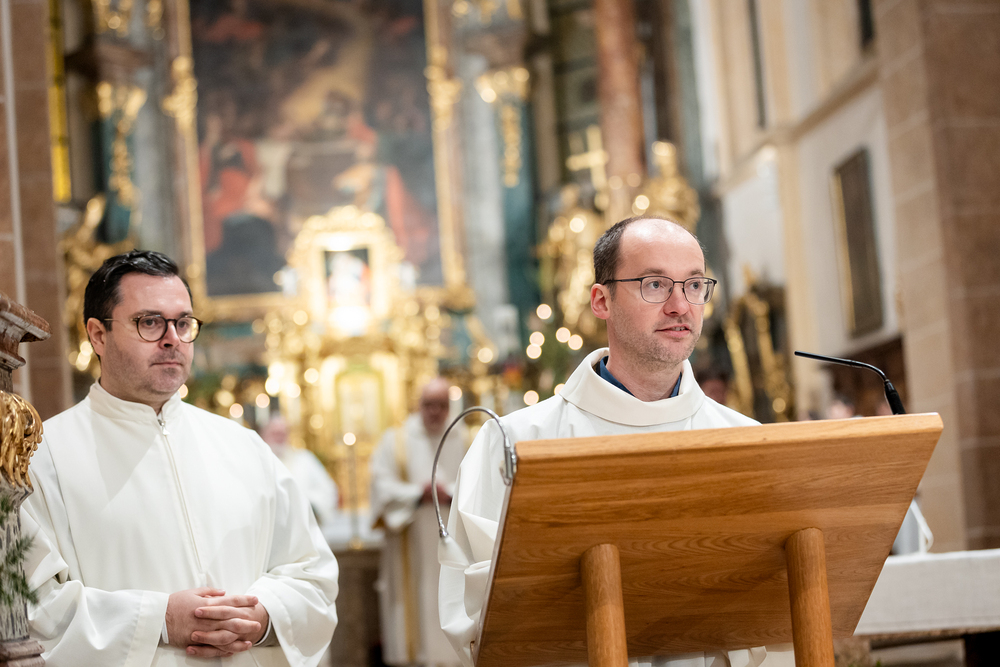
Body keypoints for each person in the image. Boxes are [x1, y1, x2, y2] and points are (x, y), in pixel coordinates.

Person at [438, 217, 794, 667]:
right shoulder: (514, 444)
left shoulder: (748, 442)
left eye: (694, 285)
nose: (680, 306)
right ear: (601, 301)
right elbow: (476, 612)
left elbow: (778, 609)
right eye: (655, 285)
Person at [21, 250, 339, 666]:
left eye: (183, 323)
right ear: (98, 335)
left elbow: (312, 576)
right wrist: (161, 620)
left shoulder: (244, 447)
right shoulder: (42, 456)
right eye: (150, 322)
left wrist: (262, 617)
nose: (172, 338)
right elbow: (30, 606)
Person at [370, 378, 466, 667]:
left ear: (449, 406)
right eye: (429, 405)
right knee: (415, 602)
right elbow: (380, 485)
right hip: (410, 538)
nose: (435, 412)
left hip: (457, 537)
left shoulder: (466, 437)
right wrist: (416, 493)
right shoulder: (396, 441)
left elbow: (483, 483)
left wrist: (450, 493)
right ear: (418, 405)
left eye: (441, 405)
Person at [259, 416, 340, 530]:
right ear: (264, 435)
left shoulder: (305, 459)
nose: (279, 438)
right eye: (275, 433)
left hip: (304, 525)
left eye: (283, 433)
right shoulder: (258, 462)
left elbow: (328, 490)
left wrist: (307, 503)